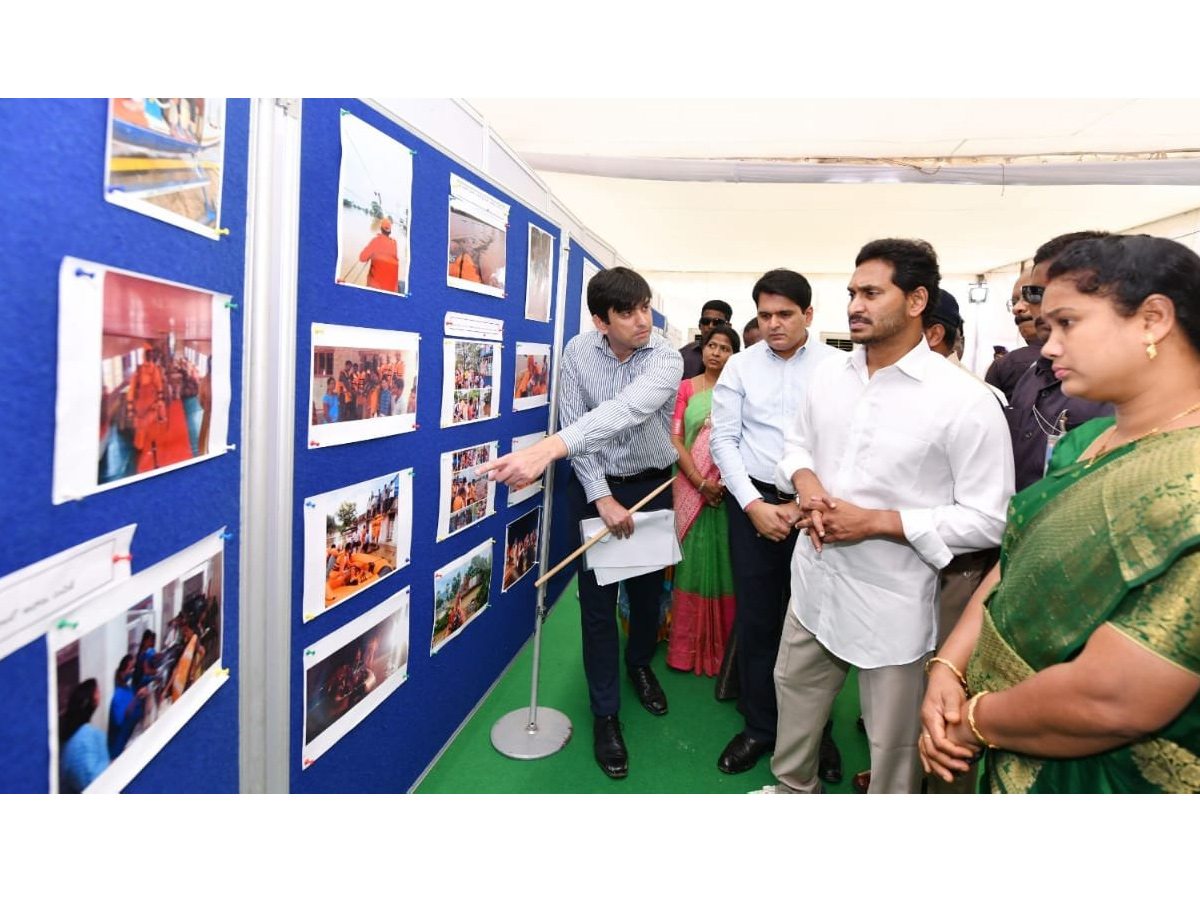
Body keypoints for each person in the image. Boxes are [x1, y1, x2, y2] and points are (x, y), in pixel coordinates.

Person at [921, 234, 1200, 794]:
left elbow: (1115, 699)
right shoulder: (1087, 441)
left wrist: (973, 723)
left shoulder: (1187, 482)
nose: (1048, 348)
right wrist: (948, 667)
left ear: (1153, 319)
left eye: (1067, 323)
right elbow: (1015, 562)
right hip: (1011, 732)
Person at [761, 238, 1013, 794]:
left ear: (918, 300)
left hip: (893, 604)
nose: (854, 304)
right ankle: (792, 792)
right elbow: (795, 446)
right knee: (795, 701)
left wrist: (878, 522)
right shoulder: (828, 375)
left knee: (892, 745)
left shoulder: (966, 401)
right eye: (852, 292)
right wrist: (806, 485)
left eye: (872, 292)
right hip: (814, 584)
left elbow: (991, 519)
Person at [477, 266, 682, 779]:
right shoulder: (577, 352)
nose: (643, 320)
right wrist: (602, 496)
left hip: (652, 483)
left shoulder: (666, 355)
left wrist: (548, 450)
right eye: (628, 312)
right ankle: (605, 713)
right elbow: (578, 423)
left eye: (645, 307)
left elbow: (628, 411)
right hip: (596, 488)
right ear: (600, 321)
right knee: (596, 606)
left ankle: (639, 663)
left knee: (646, 592)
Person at [708, 268, 844, 778]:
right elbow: (724, 440)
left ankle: (816, 735)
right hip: (756, 509)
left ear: (808, 315)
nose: (774, 324)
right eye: (765, 315)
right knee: (760, 620)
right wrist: (751, 505)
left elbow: (846, 439)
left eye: (785, 314)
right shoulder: (740, 366)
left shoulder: (840, 366)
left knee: (818, 626)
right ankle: (761, 728)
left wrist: (812, 502)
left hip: (819, 511)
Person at [1007, 232, 1114, 491]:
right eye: (1034, 294)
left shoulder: (1124, 392)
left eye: (1066, 318)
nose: (1036, 307)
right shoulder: (1031, 376)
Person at [666, 323, 740, 676]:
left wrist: (720, 482)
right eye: (712, 345)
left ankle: (720, 647)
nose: (716, 352)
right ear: (703, 348)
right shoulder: (685, 389)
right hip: (690, 486)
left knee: (724, 561)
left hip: (726, 492)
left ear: (733, 355)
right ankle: (684, 646)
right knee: (690, 561)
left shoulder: (739, 392)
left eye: (725, 348)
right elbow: (676, 439)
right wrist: (700, 481)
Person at [984, 271, 1041, 401]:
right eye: (1014, 302)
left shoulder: (1007, 365)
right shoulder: (1005, 365)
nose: (1016, 308)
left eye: (1030, 295)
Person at [59, 679, 108, 793]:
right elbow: (92, 781)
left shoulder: (73, 735)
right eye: (97, 691)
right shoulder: (87, 736)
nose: (100, 694)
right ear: (93, 699)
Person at [679, 300, 734, 378]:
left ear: (728, 326)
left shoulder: (737, 360)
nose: (710, 326)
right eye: (705, 321)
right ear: (699, 325)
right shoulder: (682, 355)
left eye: (717, 322)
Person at [108, 654, 147, 759]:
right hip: (119, 749)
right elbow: (120, 721)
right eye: (130, 668)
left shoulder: (128, 688)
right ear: (122, 672)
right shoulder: (117, 696)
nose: (132, 671)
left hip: (131, 738)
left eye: (133, 668)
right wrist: (136, 698)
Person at [358, 218, 401, 292]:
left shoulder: (376, 240)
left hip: (375, 287)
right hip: (392, 289)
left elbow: (362, 258)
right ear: (390, 231)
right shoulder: (394, 243)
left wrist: (371, 254)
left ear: (381, 229)